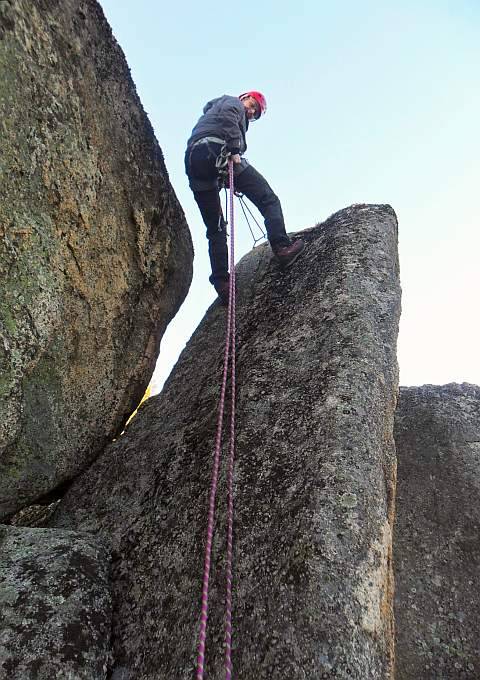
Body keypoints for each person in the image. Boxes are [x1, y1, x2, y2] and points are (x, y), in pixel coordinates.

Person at [184, 91, 305, 304]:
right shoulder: (232, 103)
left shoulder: (208, 117)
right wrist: (234, 148)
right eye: (252, 105)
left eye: (255, 113)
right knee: (268, 199)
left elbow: (221, 124)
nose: (251, 112)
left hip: (195, 160)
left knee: (216, 228)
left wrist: (228, 181)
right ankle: (282, 247)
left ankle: (222, 284)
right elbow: (228, 115)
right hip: (219, 149)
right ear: (244, 98)